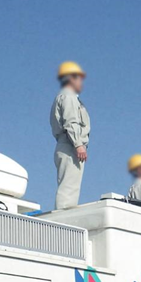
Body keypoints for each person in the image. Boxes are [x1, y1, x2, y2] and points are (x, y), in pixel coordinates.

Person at [50, 61, 91, 210]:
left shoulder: (65, 96)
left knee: (69, 187)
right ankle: (63, 223)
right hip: (70, 145)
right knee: (69, 190)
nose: (82, 82)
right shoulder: (69, 96)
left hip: (66, 144)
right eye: (79, 78)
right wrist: (78, 144)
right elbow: (71, 121)